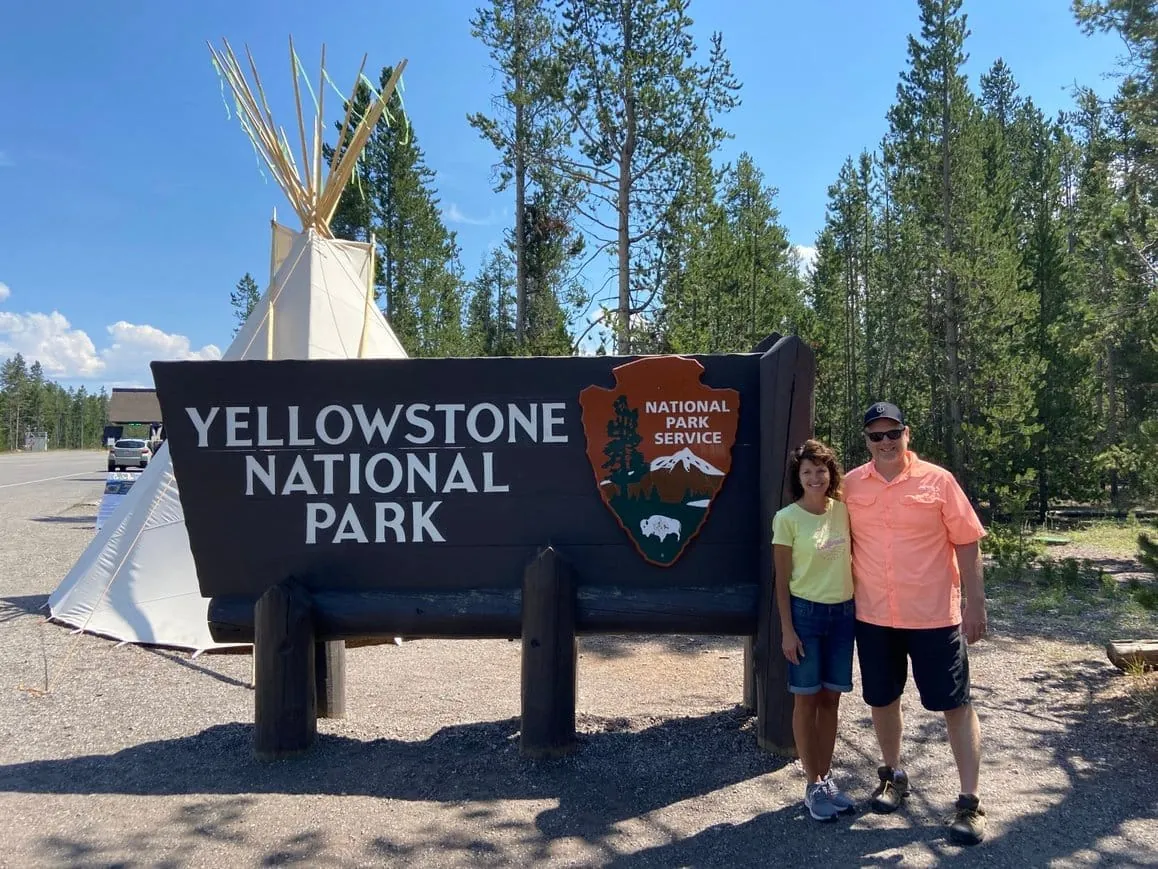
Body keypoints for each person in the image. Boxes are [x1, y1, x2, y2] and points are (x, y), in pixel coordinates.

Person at [844, 401, 988, 846]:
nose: (885, 442)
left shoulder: (938, 481)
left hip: (932, 616)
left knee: (954, 705)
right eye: (876, 436)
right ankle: (891, 775)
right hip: (873, 615)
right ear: (866, 441)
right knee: (883, 699)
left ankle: (969, 801)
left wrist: (975, 604)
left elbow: (966, 542)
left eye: (893, 434)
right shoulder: (850, 485)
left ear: (907, 434)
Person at [772, 438, 857, 822]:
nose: (815, 477)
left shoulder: (844, 512)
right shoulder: (787, 518)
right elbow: (781, 579)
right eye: (807, 472)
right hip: (805, 615)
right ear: (798, 477)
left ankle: (826, 779)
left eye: (821, 470)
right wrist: (787, 630)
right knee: (806, 700)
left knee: (831, 700)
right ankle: (811, 784)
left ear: (830, 473)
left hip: (843, 614)